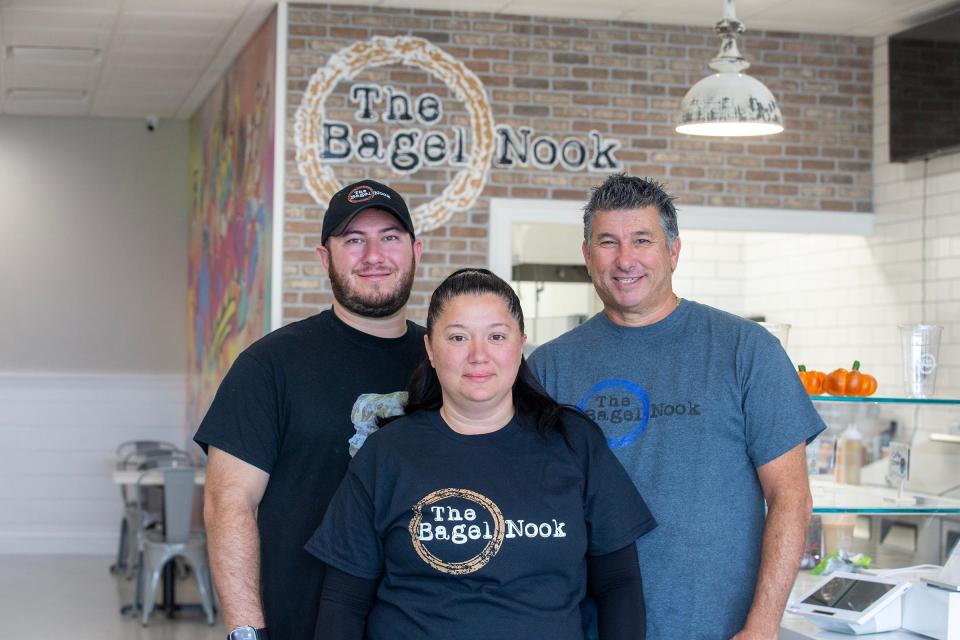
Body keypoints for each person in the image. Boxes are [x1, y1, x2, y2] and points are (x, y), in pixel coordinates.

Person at [529, 174, 825, 640]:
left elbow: (791, 497)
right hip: (586, 628)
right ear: (587, 256)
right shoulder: (548, 368)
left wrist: (763, 626)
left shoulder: (745, 350)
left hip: (719, 630)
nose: (625, 260)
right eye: (608, 242)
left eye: (642, 240)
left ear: (674, 251)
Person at [305, 268, 657, 640]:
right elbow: (344, 602)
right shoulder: (386, 454)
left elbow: (619, 584)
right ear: (430, 349)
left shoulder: (573, 442)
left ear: (520, 344)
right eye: (458, 337)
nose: (478, 355)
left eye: (496, 336)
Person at [194, 180, 426, 640]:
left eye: (390, 237)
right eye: (354, 240)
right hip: (303, 621)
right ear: (325, 257)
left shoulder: (452, 362)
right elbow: (228, 503)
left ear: (416, 250)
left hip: (426, 620)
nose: (373, 255)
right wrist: (246, 632)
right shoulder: (270, 366)